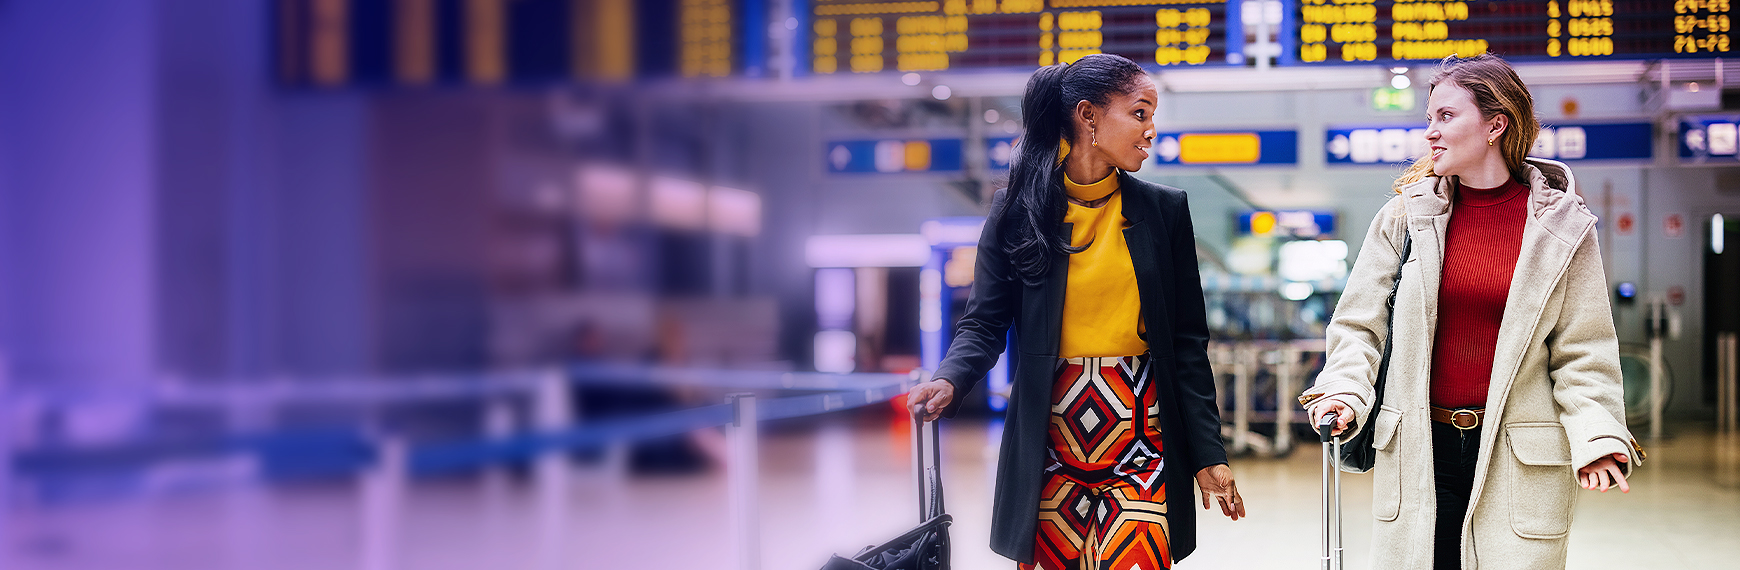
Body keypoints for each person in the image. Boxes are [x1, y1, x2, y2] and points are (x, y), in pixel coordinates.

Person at [1301, 53, 1645, 570]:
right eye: (1429, 118)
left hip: (1519, 453)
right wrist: (1346, 390)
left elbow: (1583, 349)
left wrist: (1596, 434)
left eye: (1446, 116)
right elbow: (1358, 324)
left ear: (1495, 125)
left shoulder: (1563, 229)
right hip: (1420, 445)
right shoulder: (1404, 218)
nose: (1430, 133)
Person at [905, 53, 1242, 570]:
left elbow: (1188, 345)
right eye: (1140, 113)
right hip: (1048, 438)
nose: (1152, 130)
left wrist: (1207, 454)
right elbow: (985, 320)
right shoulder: (1017, 211)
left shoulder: (1164, 210)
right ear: (1088, 116)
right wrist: (951, 378)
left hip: (1143, 435)